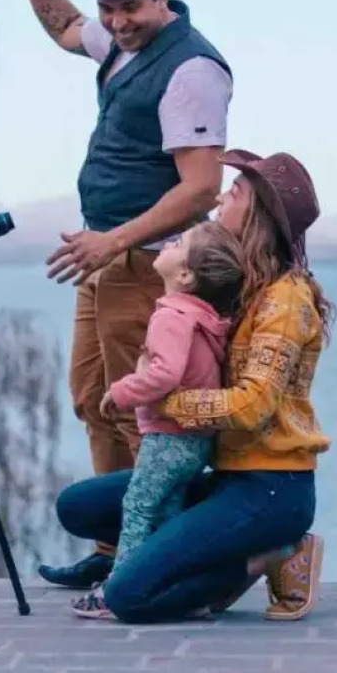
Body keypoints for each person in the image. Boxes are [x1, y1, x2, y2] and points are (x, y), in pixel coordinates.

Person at [1, 0, 234, 592]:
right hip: (104, 260)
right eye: (109, 8)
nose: (116, 21)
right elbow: (64, 27)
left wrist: (115, 243)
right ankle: (112, 547)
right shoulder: (122, 46)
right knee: (94, 398)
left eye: (130, 7)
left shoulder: (191, 70)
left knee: (147, 422)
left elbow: (200, 187)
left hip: (148, 267)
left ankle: (154, 557)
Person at [53, 149, 334, 622]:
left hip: (271, 488)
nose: (222, 196)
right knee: (78, 507)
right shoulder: (238, 283)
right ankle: (205, 548)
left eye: (237, 192)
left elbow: (252, 407)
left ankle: (268, 554)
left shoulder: (285, 300)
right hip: (225, 475)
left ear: (260, 215)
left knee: (128, 597)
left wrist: (165, 401)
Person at [71, 220, 245, 619]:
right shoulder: (202, 317)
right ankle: (176, 586)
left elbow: (165, 374)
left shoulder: (172, 316)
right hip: (195, 441)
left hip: (169, 437)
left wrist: (120, 392)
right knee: (168, 511)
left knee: (136, 506)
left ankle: (116, 589)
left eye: (179, 242)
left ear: (185, 274)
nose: (168, 242)